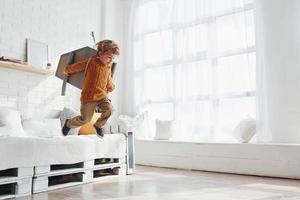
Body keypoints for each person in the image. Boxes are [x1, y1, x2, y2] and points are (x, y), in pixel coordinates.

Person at [62, 40, 120, 138]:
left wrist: (111, 87)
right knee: (85, 119)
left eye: (113, 58)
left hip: (101, 97)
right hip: (88, 97)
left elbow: (108, 80)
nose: (111, 61)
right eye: (109, 57)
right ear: (100, 53)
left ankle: (98, 125)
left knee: (109, 110)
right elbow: (79, 66)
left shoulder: (108, 68)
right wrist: (67, 69)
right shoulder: (92, 62)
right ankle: (69, 123)